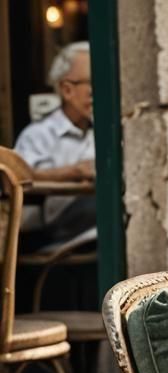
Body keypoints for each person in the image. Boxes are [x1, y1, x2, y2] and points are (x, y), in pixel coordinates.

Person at [14, 41, 96, 245]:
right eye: (93, 83)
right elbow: (18, 177)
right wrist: (76, 172)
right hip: (54, 229)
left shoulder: (105, 131)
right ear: (67, 90)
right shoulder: (39, 135)